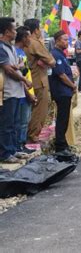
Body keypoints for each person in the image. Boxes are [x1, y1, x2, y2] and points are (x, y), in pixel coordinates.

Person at [0, 17, 32, 163]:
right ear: (7, 32)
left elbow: (17, 67)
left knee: (15, 123)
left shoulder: (11, 48)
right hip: (7, 91)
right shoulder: (1, 48)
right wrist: (24, 79)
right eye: (13, 29)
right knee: (7, 124)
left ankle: (13, 149)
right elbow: (9, 70)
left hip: (17, 91)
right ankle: (5, 153)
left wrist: (17, 67)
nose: (15, 32)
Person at [24, 18, 56, 144]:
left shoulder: (24, 43)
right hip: (38, 80)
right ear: (36, 30)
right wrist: (47, 62)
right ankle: (33, 135)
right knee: (39, 109)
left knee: (30, 110)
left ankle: (29, 134)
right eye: (40, 28)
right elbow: (51, 61)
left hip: (29, 80)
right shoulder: (35, 43)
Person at [49, 30, 77, 157]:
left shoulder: (62, 54)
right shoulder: (55, 54)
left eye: (68, 39)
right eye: (65, 39)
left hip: (65, 91)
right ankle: (60, 146)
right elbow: (61, 75)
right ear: (57, 41)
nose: (67, 42)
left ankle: (63, 143)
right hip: (61, 91)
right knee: (61, 119)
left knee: (64, 119)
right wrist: (72, 85)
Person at [14, 26, 37, 154]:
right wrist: (28, 94)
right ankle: (19, 146)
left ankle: (22, 144)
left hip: (26, 92)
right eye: (29, 36)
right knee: (20, 122)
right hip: (21, 94)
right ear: (23, 38)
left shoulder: (23, 52)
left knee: (25, 120)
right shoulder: (16, 53)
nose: (30, 39)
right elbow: (19, 77)